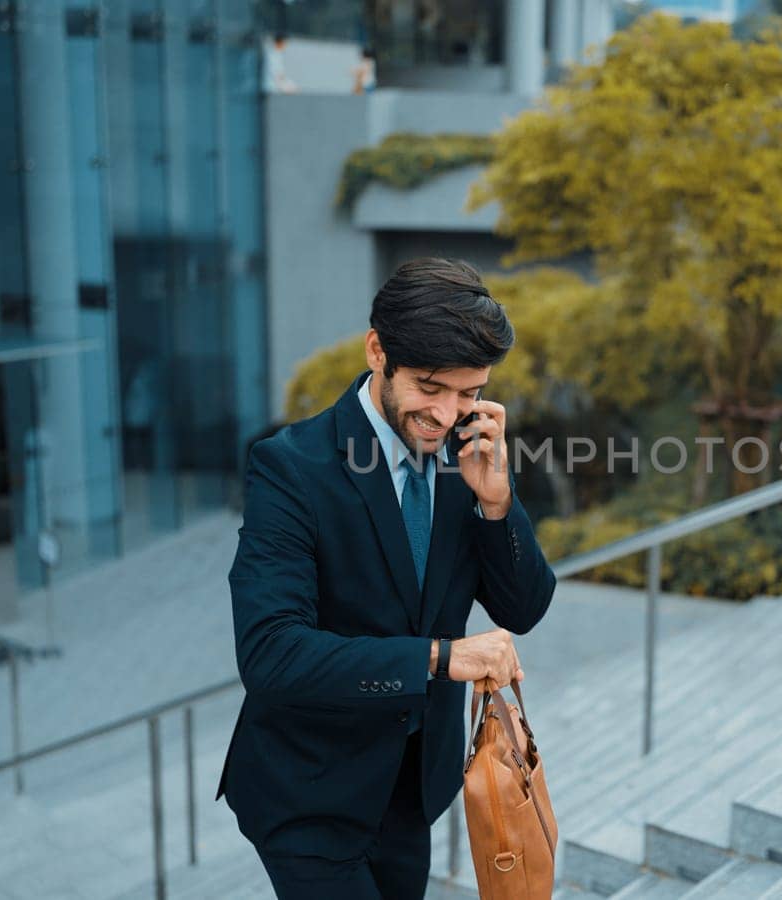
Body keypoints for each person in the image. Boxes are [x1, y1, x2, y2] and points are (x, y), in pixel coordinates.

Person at [216, 258, 557, 899]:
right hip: (308, 794)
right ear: (378, 351)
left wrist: (496, 503)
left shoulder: (469, 455)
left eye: (470, 392)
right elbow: (269, 653)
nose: (449, 412)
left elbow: (526, 606)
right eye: (431, 387)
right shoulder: (291, 468)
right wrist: (440, 656)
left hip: (411, 794)